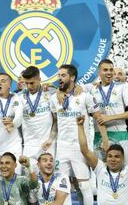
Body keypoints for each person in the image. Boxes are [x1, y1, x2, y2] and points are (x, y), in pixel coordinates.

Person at [50, 64, 105, 204]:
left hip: (79, 147)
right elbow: (55, 122)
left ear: (72, 77)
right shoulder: (54, 98)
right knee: (63, 186)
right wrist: (51, 139)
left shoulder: (85, 95)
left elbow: (98, 118)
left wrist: (105, 140)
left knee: (84, 186)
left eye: (63, 75)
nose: (59, 78)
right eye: (58, 75)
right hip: (62, 147)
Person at [77, 115, 128, 205]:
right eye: (110, 156)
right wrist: (80, 126)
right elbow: (84, 150)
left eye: (117, 156)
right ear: (106, 158)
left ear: (123, 159)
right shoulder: (100, 168)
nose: (113, 159)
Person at [87, 59, 128, 163]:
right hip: (99, 135)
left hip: (119, 133)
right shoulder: (92, 88)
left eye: (111, 70)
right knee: (101, 171)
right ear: (99, 72)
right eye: (105, 70)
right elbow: (72, 87)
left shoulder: (123, 87)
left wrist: (109, 117)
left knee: (123, 171)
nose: (109, 72)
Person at [20, 66, 57, 167]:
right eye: (26, 83)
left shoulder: (50, 93)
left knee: (49, 179)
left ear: (39, 80)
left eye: (32, 83)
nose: (29, 86)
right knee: (31, 179)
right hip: (29, 146)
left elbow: (56, 119)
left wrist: (51, 139)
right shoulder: (20, 97)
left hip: (48, 145)